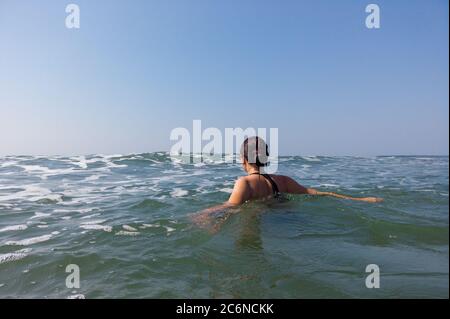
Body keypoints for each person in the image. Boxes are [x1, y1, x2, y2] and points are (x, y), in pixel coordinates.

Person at [192, 136, 383, 229]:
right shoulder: (282, 180)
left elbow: (229, 208)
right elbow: (315, 193)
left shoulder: (245, 184)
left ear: (243, 159)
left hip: (270, 226)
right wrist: (360, 199)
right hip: (289, 218)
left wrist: (204, 215)